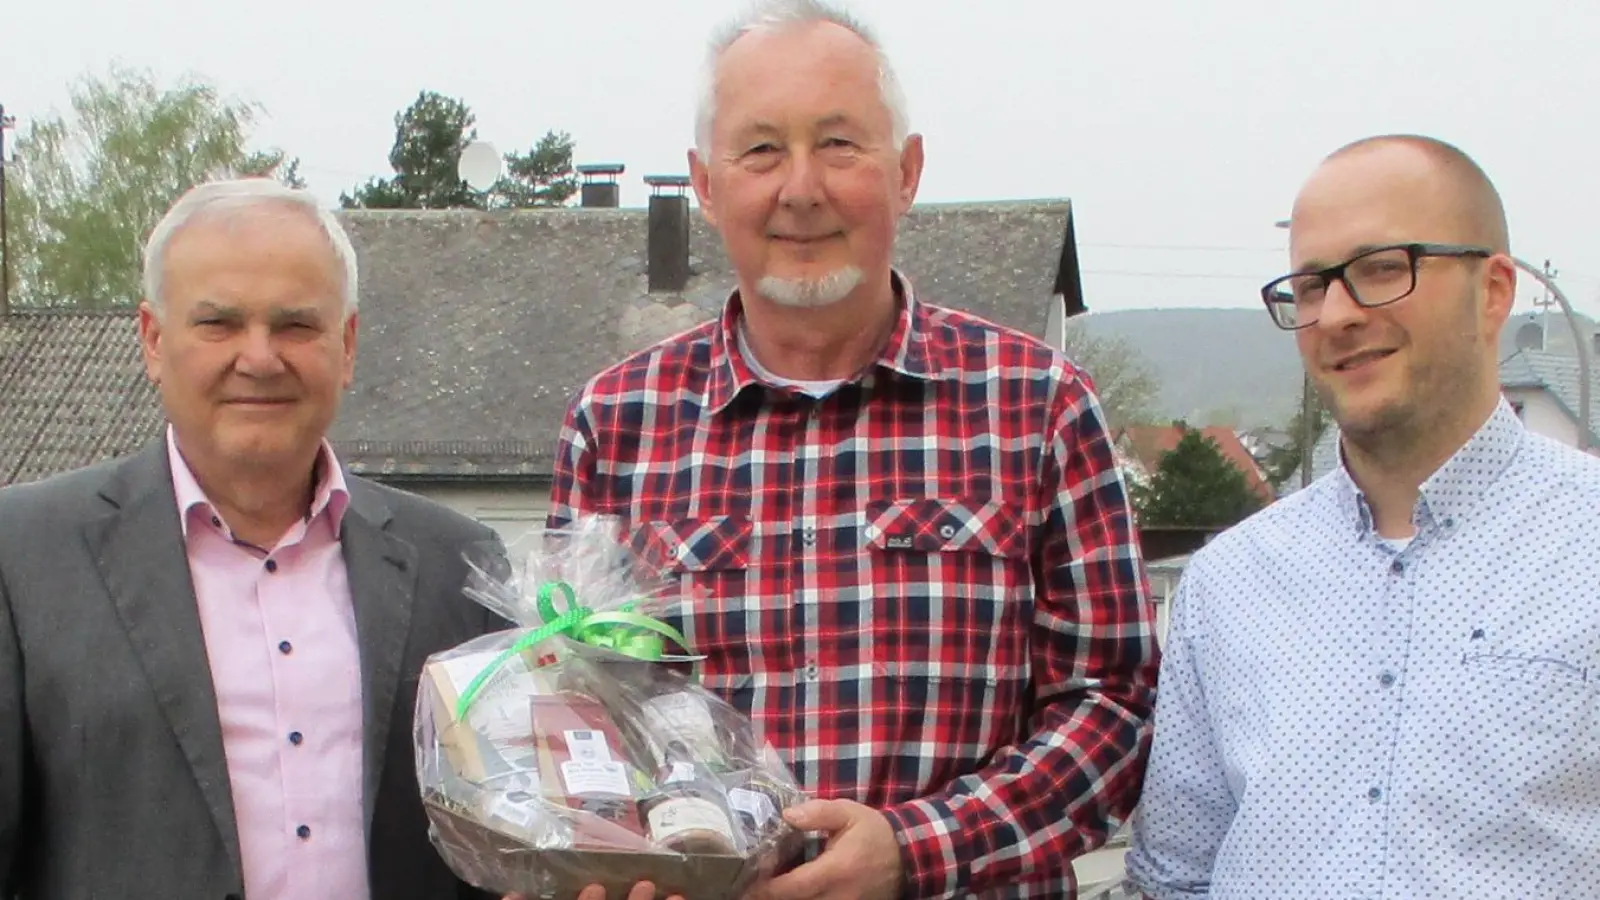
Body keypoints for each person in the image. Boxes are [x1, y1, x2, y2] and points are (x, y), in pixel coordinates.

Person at [543, 1, 1160, 897]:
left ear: (906, 172)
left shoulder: (1038, 405)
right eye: (760, 150)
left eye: (839, 145)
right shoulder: (616, 424)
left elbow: (1114, 710)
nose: (800, 189)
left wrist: (916, 848)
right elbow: (572, 719)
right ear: (705, 185)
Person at [0, 178, 505, 899]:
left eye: (296, 325)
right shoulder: (23, 559)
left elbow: (502, 853)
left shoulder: (459, 567)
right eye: (219, 324)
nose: (260, 358)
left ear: (348, 344)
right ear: (152, 340)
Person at [1124, 134, 1600, 898]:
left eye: (1382, 270)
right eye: (1311, 287)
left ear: (1494, 291)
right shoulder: (1228, 585)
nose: (1337, 315)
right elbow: (1175, 874)